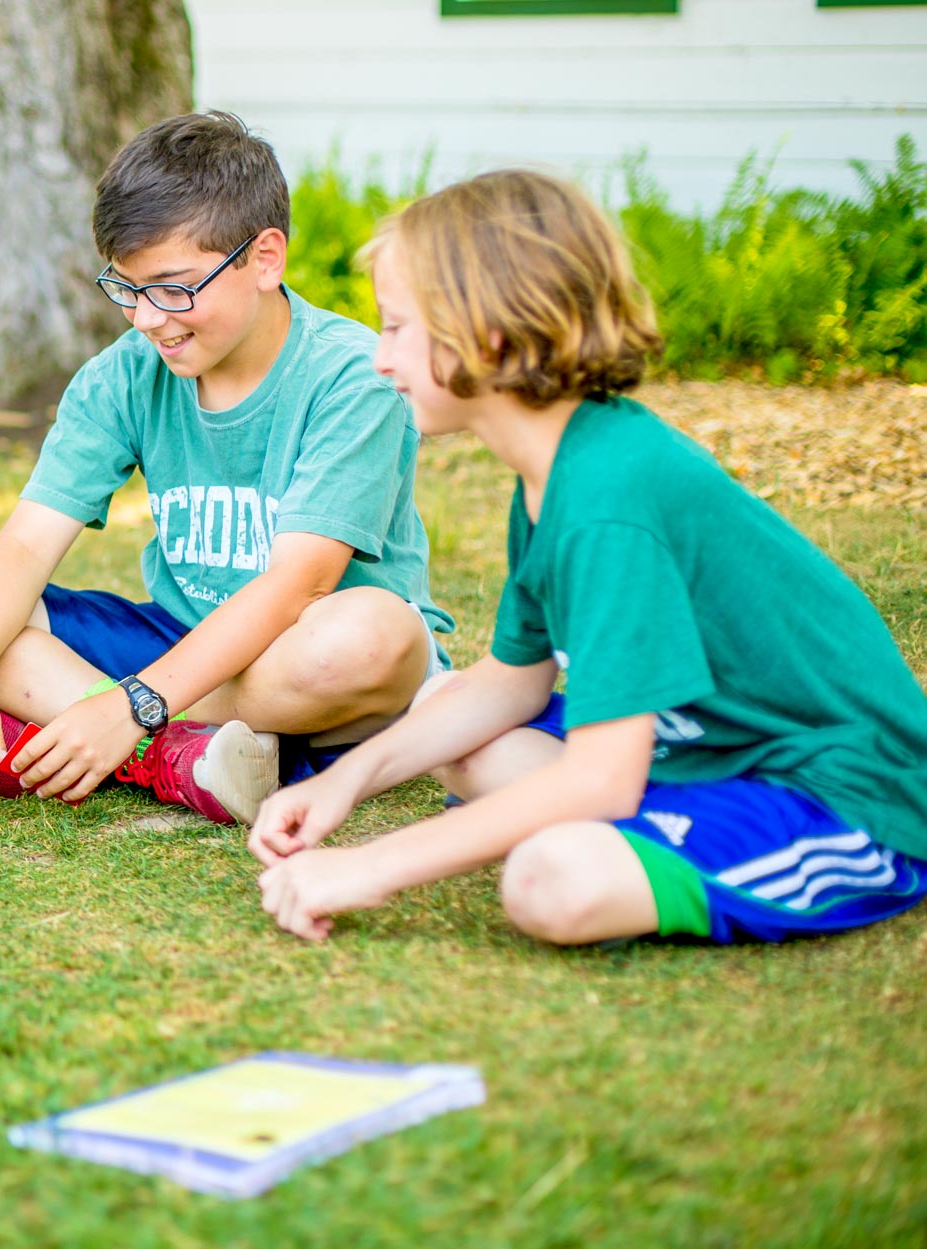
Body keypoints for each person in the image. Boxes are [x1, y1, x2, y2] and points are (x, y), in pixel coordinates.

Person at [251, 168, 927, 945]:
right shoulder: (550, 468)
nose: (379, 357)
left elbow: (604, 778)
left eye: (397, 327)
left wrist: (370, 863)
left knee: (553, 878)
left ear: (488, 335)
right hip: (699, 749)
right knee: (444, 711)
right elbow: (511, 683)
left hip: (837, 787)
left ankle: (695, 836)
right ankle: (664, 819)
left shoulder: (609, 496)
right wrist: (348, 779)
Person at [0, 112, 451, 823]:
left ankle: (112, 728)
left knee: (374, 634)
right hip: (176, 640)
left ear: (265, 257)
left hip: (299, 653)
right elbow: (28, 544)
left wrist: (133, 702)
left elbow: (295, 588)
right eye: (126, 289)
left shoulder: (351, 376)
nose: (149, 318)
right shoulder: (123, 373)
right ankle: (182, 757)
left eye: (173, 287)